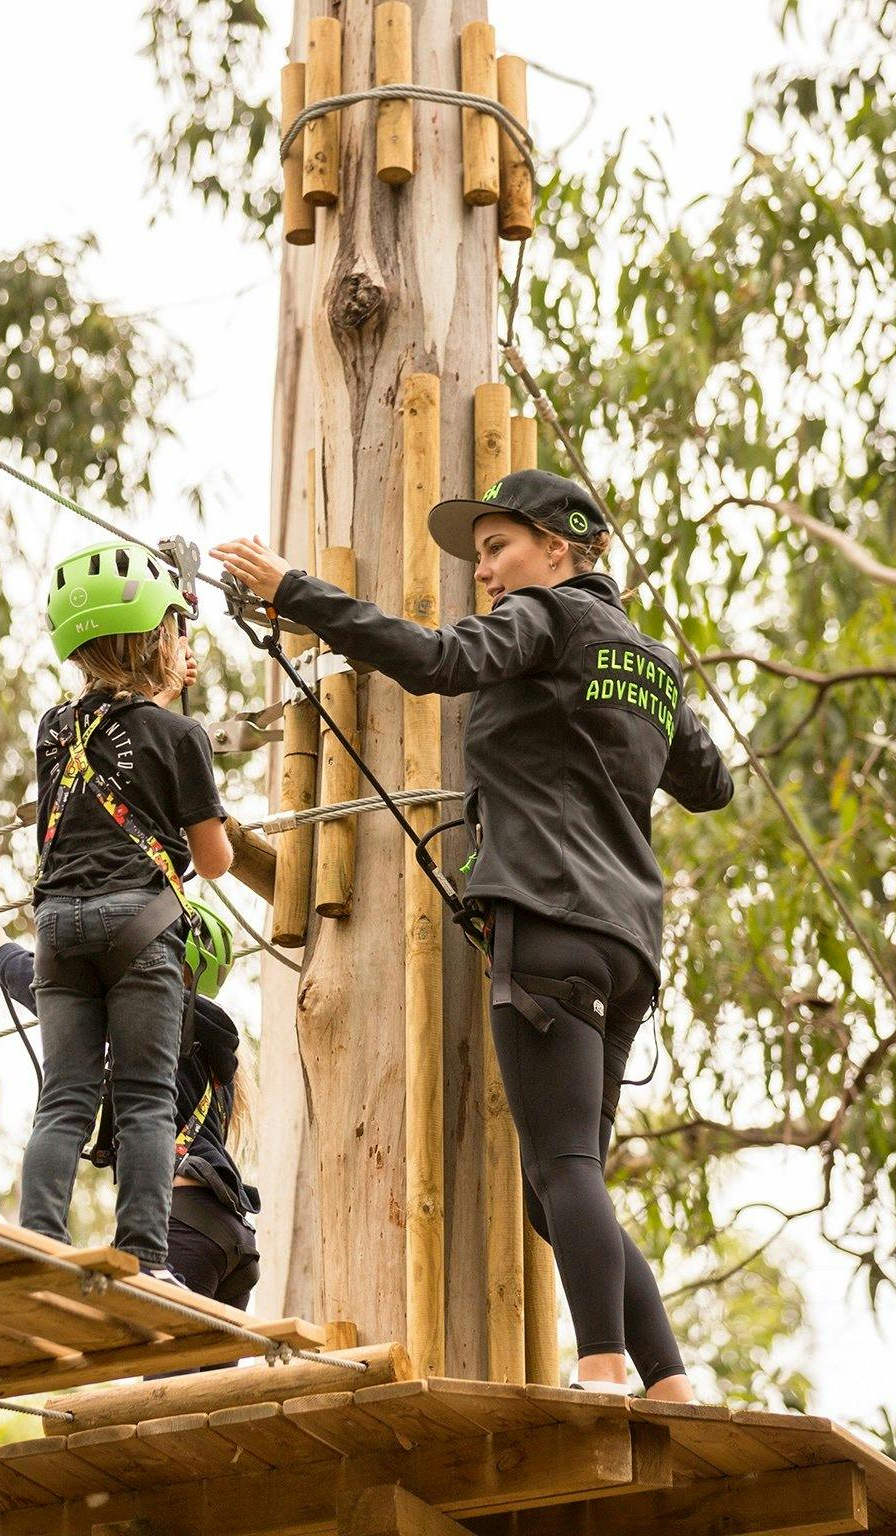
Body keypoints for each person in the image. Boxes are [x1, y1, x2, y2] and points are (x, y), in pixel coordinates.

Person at [212, 468, 733, 1400]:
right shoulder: (650, 662)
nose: (484, 570)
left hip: (546, 919)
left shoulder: (550, 617)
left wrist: (294, 591)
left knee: (565, 1164)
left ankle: (605, 1367)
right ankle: (670, 1380)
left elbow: (434, 659)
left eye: (498, 548)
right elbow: (710, 781)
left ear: (560, 550)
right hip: (628, 948)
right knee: (556, 1186)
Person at [18, 539, 234, 1285]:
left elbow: (113, 738)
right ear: (156, 641)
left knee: (64, 1098)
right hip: (138, 929)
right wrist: (182, 726)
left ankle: (39, 1243)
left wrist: (163, 695)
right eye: (174, 630)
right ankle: (144, 1256)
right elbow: (214, 861)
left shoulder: (51, 730)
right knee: (145, 1102)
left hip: (56, 930)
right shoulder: (180, 736)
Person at [0, 903, 263, 1308]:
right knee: (208, 1376)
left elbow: (56, 994)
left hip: (182, 1229)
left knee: (165, 1372)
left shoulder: (158, 1018)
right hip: (232, 1239)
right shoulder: (213, 1052)